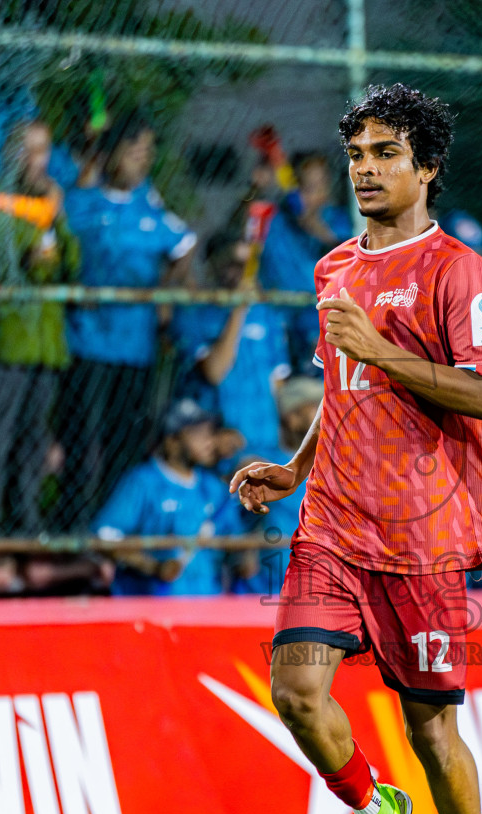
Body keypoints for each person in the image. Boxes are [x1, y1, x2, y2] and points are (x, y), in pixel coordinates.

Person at [229, 84, 482, 814]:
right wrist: (297, 466)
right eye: (357, 154)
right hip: (334, 522)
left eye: (386, 153)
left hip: (423, 537)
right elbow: (344, 388)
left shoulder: (459, 272)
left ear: (426, 167)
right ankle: (371, 810)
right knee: (297, 691)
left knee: (433, 734)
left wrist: (385, 349)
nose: (366, 169)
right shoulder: (333, 270)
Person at [61, 114, 197, 527]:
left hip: (135, 347)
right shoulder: (82, 201)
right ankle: (78, 524)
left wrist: (163, 294)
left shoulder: (149, 206)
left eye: (147, 153)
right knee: (83, 440)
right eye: (133, 150)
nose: (141, 160)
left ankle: (115, 524)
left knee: (125, 438)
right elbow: (59, 249)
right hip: (88, 344)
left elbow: (185, 244)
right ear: (111, 154)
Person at [0, 119, 81, 535]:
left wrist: (56, 219)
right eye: (27, 150)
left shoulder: (51, 205)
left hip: (46, 343)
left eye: (44, 149)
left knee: (35, 437)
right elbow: (2, 260)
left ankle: (27, 521)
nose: (38, 160)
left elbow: (68, 265)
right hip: (7, 340)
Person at [92, 399, 237, 596]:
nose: (209, 441)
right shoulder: (143, 481)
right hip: (151, 605)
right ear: (172, 442)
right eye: (198, 434)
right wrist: (152, 567)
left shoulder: (214, 488)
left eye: (210, 433)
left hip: (206, 605)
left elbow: (236, 538)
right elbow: (105, 535)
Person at [172, 235, 290, 457]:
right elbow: (215, 373)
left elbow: (278, 384)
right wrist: (239, 309)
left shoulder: (268, 316)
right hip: (222, 442)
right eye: (234, 265)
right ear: (214, 265)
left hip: (268, 441)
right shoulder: (195, 314)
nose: (242, 275)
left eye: (248, 267)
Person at [258, 151, 355, 367]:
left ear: (327, 189)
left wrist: (312, 224)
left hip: (316, 318)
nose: (309, 195)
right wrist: (257, 189)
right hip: (276, 315)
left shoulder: (339, 220)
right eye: (303, 186)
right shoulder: (276, 219)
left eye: (315, 188)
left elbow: (346, 254)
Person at [231, 375, 323, 595]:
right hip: (271, 585)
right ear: (292, 417)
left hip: (322, 583)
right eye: (316, 409)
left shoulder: (333, 461)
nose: (325, 416)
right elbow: (236, 520)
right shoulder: (262, 464)